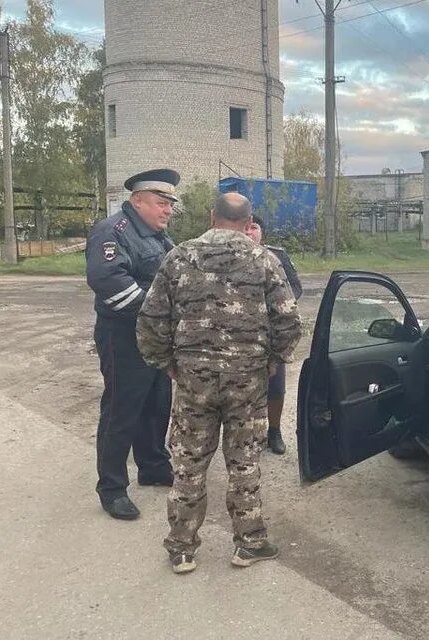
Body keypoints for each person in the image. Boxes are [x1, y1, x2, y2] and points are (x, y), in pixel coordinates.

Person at [137, 192, 302, 574]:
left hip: (194, 379)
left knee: (189, 464)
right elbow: (288, 321)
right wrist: (274, 361)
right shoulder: (265, 259)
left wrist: (166, 363)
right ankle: (249, 544)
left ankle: (181, 549)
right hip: (248, 381)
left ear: (212, 217)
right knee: (244, 462)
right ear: (248, 224)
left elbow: (151, 319)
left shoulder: (179, 256)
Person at [85, 168, 180, 521]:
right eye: (161, 202)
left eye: (170, 203)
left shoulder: (157, 235)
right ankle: (111, 488)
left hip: (153, 335)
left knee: (156, 403)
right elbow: (108, 280)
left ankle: (153, 465)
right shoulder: (113, 232)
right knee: (121, 410)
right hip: (123, 335)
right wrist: (157, 314)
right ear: (136, 200)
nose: (168, 210)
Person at [244, 214, 302, 455]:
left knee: (275, 388)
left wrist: (275, 306)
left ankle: (275, 431)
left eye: (254, 227)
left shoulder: (277, 255)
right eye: (245, 228)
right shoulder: (228, 254)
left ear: (262, 233)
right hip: (241, 337)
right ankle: (247, 435)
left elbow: (295, 288)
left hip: (270, 334)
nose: (249, 232)